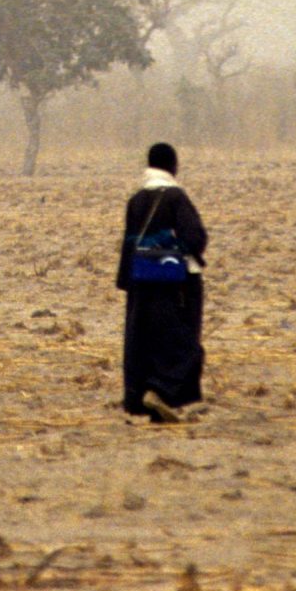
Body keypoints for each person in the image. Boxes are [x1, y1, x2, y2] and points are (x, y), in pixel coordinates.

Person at [115, 141, 207, 422]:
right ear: (173, 165)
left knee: (145, 341)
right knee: (183, 341)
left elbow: (129, 244)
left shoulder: (135, 199)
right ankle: (163, 392)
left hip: (140, 280)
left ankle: (145, 401)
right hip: (176, 282)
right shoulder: (176, 197)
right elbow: (196, 238)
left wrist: (128, 282)